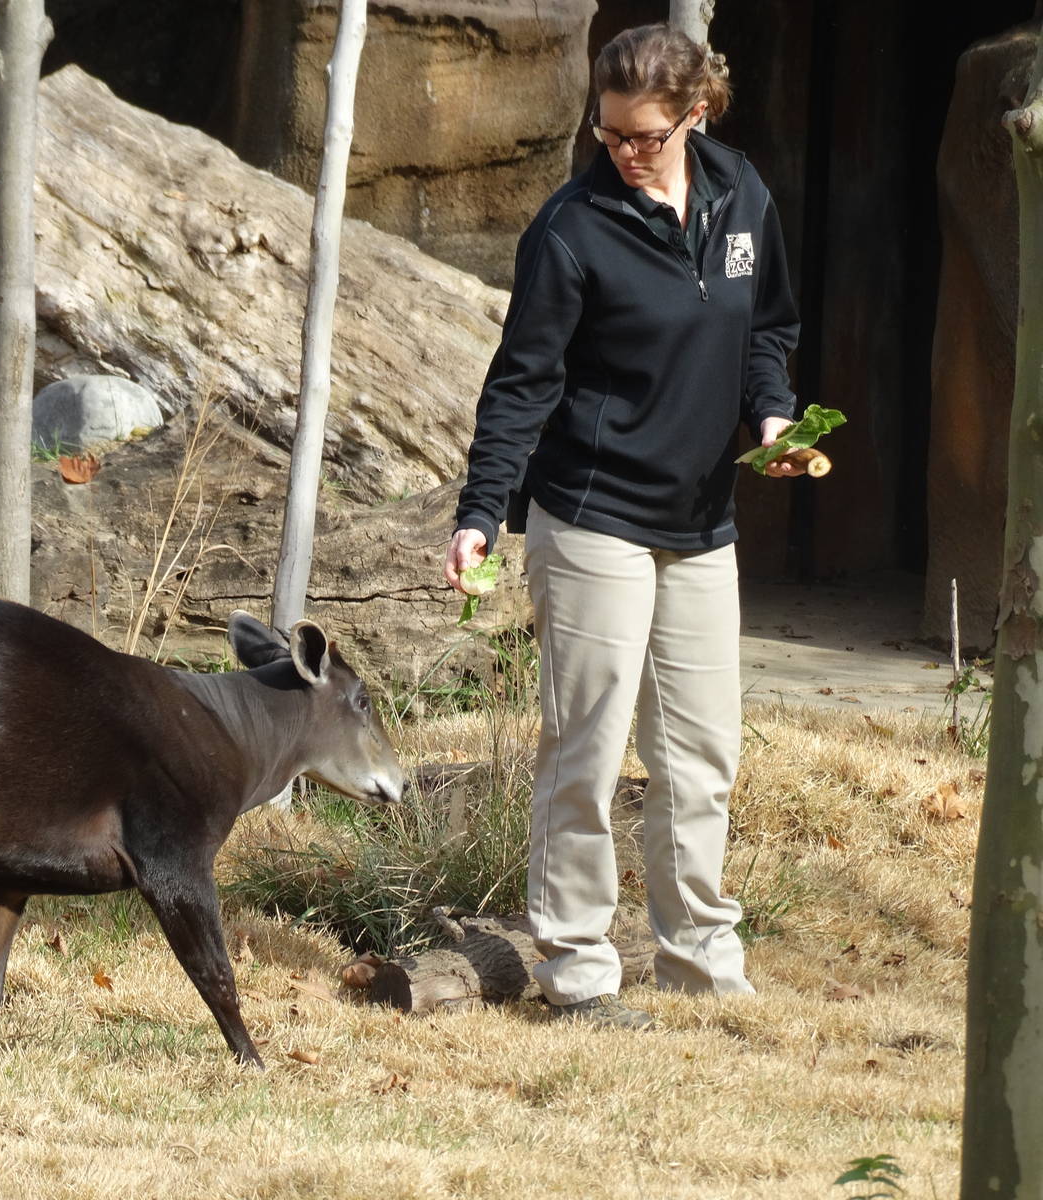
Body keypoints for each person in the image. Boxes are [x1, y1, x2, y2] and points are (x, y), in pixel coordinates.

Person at [443, 23, 803, 1028]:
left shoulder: (742, 196)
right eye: (607, 134)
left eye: (644, 135)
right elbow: (519, 386)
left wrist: (770, 412)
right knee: (587, 749)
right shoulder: (570, 227)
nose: (623, 153)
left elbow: (767, 327)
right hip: (593, 518)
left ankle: (701, 966)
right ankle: (578, 972)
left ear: (696, 115)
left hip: (701, 521)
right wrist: (480, 514)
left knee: (701, 755)